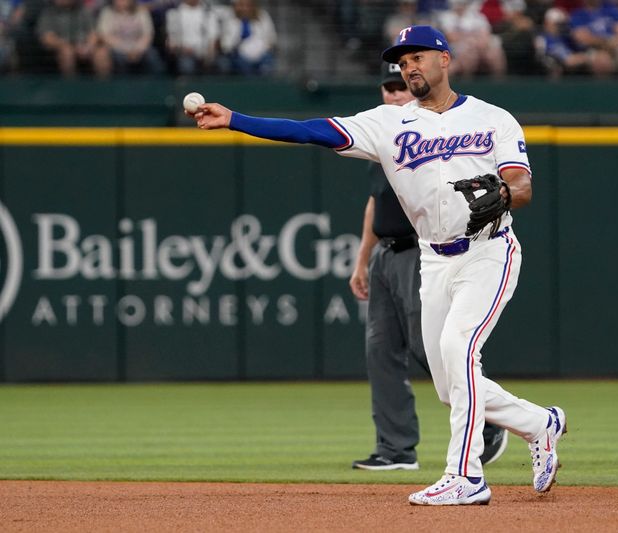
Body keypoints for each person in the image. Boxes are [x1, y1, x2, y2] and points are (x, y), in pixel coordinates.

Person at [189, 25, 567, 506]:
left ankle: (466, 476)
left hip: (489, 250)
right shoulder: (389, 123)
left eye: (418, 56)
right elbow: (312, 131)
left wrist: (506, 194)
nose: (408, 65)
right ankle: (540, 424)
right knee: (452, 388)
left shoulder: (493, 119)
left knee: (457, 349)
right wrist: (237, 119)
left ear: (444, 59)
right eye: (401, 60)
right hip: (434, 259)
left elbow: (523, 186)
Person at [350, 62, 509, 472]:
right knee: (380, 351)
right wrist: (363, 258)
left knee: (437, 351)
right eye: (388, 85)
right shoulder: (383, 134)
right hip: (386, 253)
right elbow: (374, 203)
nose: (393, 91)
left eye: (399, 83)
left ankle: (491, 422)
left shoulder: (442, 135)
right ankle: (395, 449)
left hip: (425, 255)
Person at [36, 0, 112, 77]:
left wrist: (88, 47)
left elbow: (93, 33)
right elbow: (47, 38)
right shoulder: (49, 13)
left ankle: (104, 86)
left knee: (102, 52)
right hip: (63, 46)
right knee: (67, 52)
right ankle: (71, 86)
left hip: (84, 46)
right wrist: (68, 46)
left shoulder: (83, 10)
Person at [96, 0, 165, 75]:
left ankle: (154, 83)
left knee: (153, 57)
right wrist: (126, 49)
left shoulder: (141, 11)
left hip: (140, 48)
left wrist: (137, 49)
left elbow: (148, 34)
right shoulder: (107, 12)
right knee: (117, 58)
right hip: (117, 48)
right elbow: (105, 35)